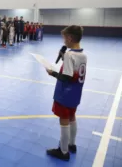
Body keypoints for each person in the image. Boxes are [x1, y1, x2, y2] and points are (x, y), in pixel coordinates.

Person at [46, 25, 86, 161]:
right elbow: (73, 71)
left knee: (64, 121)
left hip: (65, 93)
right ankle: (72, 144)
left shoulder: (69, 54)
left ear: (69, 38)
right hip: (76, 92)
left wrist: (53, 73)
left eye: (64, 38)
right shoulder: (82, 55)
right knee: (72, 117)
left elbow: (67, 77)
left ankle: (63, 152)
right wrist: (64, 58)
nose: (64, 42)